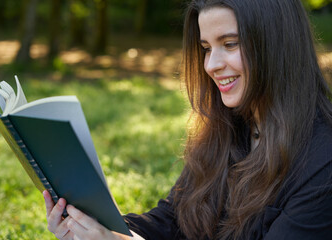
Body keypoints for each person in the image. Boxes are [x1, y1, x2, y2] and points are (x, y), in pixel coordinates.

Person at [43, 0, 332, 239]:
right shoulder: (230, 126)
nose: (211, 65)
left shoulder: (322, 161)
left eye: (230, 44)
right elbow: (173, 219)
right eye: (206, 48)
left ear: (276, 45)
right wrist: (103, 229)